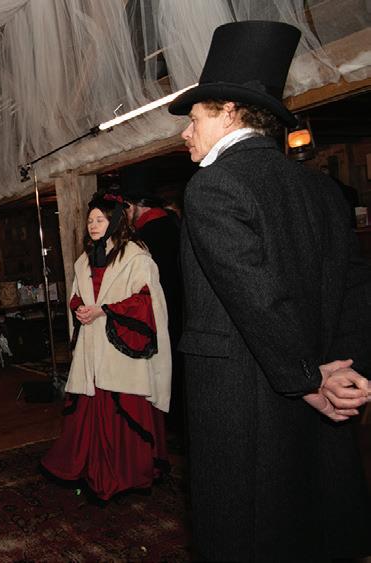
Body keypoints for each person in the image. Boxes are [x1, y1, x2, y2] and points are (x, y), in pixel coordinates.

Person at [168, 20, 371, 560]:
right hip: (319, 389)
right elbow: (356, 287)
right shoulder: (324, 189)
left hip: (246, 401)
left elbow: (257, 298)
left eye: (194, 118)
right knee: (311, 524)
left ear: (229, 113)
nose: (185, 133)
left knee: (252, 531)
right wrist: (348, 374)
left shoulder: (213, 186)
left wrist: (309, 380)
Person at [41, 193, 171, 501]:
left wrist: (105, 311)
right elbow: (76, 295)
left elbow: (146, 301)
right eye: (90, 220)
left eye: (100, 219)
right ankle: (89, 466)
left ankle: (126, 474)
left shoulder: (137, 257)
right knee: (90, 403)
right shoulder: (84, 259)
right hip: (92, 346)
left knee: (120, 406)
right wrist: (79, 308)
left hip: (121, 349)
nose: (93, 225)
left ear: (115, 222)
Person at [119, 167, 186, 444]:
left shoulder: (145, 238)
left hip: (159, 317)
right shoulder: (174, 225)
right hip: (183, 313)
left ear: (134, 205)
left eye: (125, 208)